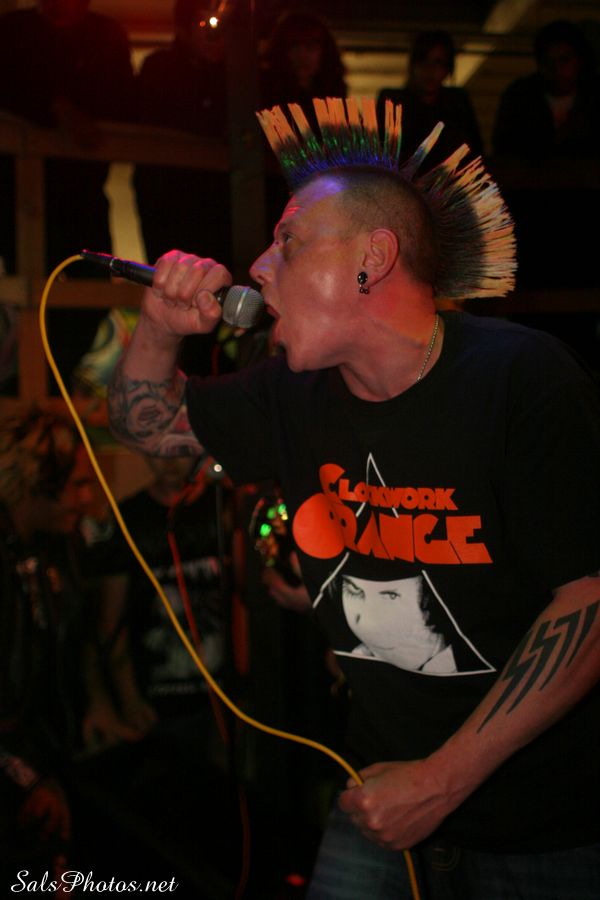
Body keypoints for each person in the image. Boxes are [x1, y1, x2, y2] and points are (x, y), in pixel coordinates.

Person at [105, 95, 600, 899]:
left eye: (289, 242)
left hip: (545, 828)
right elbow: (145, 426)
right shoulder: (291, 393)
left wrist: (439, 781)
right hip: (379, 798)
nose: (259, 267)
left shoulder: (521, 380)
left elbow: (589, 598)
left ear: (373, 257)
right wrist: (159, 326)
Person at [0, 408, 94, 888]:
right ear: (36, 483)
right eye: (77, 485)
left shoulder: (59, 548)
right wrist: (28, 778)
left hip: (46, 766)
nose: (88, 497)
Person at [377, 31, 482, 171]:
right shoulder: (393, 104)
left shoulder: (457, 104)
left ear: (448, 68)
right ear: (413, 65)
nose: (430, 70)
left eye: (438, 62)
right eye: (423, 60)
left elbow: (474, 152)